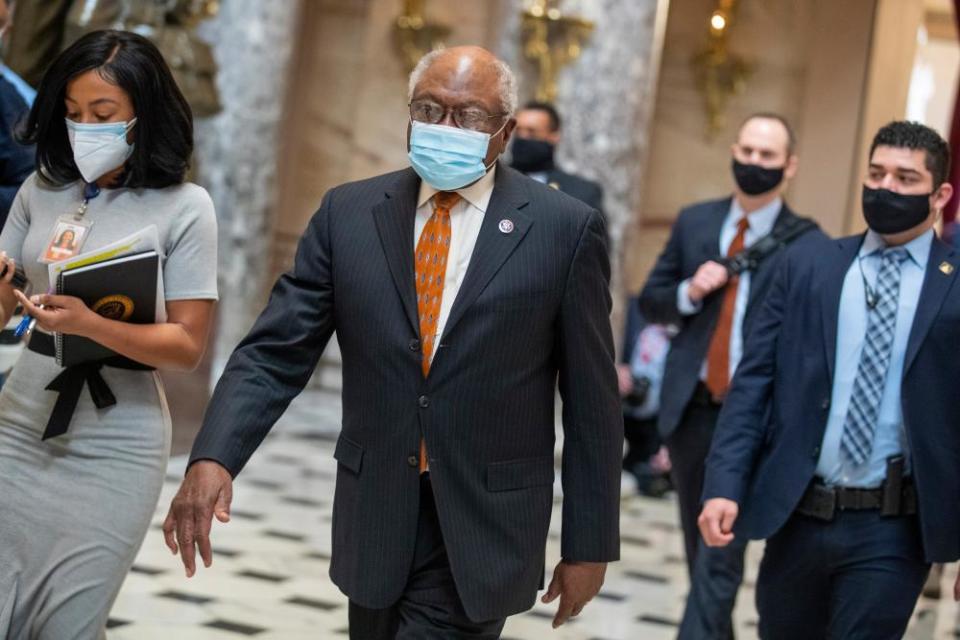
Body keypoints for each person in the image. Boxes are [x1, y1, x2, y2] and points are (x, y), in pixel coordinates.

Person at [163, 45, 621, 639]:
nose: (445, 127)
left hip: (485, 524)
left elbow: (592, 403)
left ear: (504, 133)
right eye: (429, 108)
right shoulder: (349, 214)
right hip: (376, 511)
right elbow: (275, 353)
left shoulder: (564, 230)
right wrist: (213, 456)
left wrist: (590, 545)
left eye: (469, 116)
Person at [699, 120, 959, 639]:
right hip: (799, 512)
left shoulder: (953, 283)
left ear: (940, 194)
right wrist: (724, 483)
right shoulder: (809, 264)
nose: (886, 188)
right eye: (877, 173)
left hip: (893, 526)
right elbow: (754, 385)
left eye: (906, 179)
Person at [0, 29, 218, 638]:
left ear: (142, 117)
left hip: (116, 444)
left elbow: (185, 344)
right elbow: (1, 314)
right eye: (72, 115)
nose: (82, 129)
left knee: (69, 622)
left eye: (102, 115)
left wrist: (91, 324)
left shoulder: (186, 206)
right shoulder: (41, 190)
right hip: (17, 427)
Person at [639, 113, 821, 639]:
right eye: (746, 151)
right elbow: (653, 301)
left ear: (789, 166)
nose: (753, 163)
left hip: (755, 423)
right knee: (702, 549)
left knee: (721, 552)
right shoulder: (696, 221)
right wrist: (689, 292)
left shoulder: (808, 247)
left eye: (767, 156)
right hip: (691, 409)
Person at [510, 101, 604, 214]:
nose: (523, 137)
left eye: (532, 132)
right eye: (518, 131)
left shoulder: (581, 193)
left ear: (554, 136)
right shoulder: (494, 180)